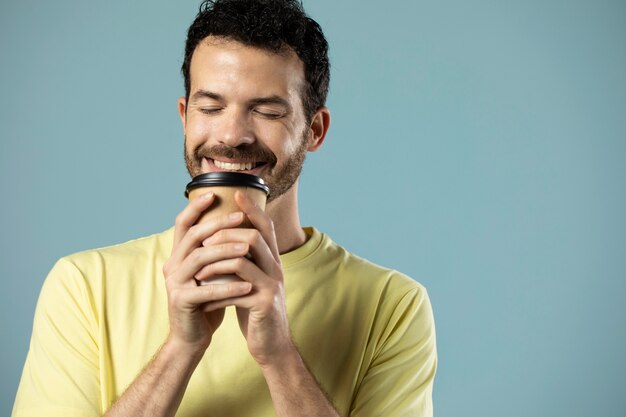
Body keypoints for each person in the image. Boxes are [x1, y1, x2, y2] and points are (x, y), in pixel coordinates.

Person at [12, 0, 437, 416]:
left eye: (267, 111)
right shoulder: (83, 286)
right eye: (211, 107)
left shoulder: (393, 306)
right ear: (184, 116)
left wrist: (279, 358)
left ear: (315, 131)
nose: (232, 135)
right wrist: (180, 348)